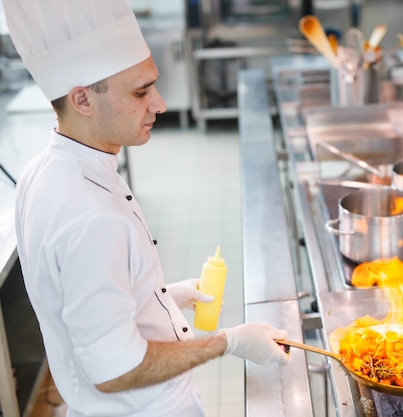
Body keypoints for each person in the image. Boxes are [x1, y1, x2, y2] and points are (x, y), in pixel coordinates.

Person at [3, 0, 289, 416]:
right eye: (140, 92)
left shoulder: (45, 170)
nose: (160, 104)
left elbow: (83, 305)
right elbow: (117, 369)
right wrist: (231, 342)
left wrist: (164, 296)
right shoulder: (91, 215)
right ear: (82, 100)